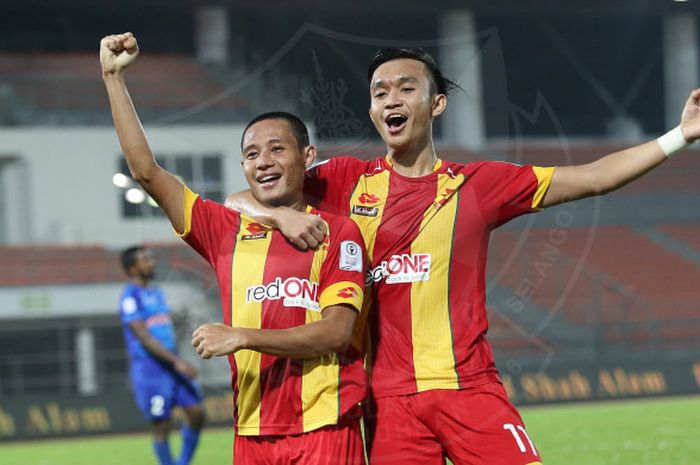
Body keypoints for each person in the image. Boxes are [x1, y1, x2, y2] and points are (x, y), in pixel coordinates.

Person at [226, 47, 700, 465]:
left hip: (469, 387)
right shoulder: (344, 179)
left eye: (405, 88)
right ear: (372, 110)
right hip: (387, 402)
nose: (391, 99)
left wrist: (680, 135)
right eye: (379, 92)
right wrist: (282, 218)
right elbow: (238, 199)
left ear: (436, 104)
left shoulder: (478, 185)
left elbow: (593, 176)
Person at [102, 32, 369, 465]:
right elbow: (146, 172)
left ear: (308, 156)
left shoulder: (338, 233)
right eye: (250, 154)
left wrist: (241, 336)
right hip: (251, 433)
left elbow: (335, 333)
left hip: (325, 429)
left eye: (276, 149)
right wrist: (113, 78)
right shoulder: (223, 229)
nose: (262, 161)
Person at [118, 245, 204, 465]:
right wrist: (177, 362)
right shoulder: (130, 296)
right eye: (145, 259)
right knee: (161, 423)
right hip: (150, 368)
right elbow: (144, 337)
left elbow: (161, 328)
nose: (151, 262)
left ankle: (182, 462)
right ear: (132, 268)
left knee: (196, 413)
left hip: (170, 362)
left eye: (150, 258)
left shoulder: (156, 293)